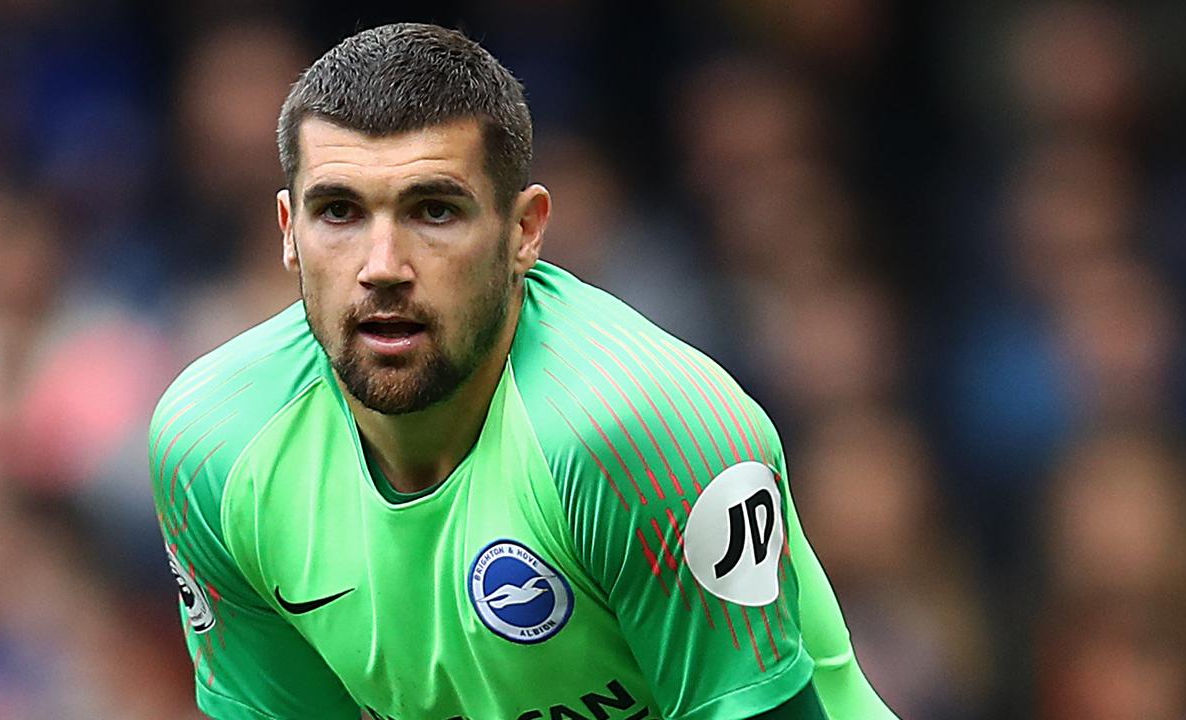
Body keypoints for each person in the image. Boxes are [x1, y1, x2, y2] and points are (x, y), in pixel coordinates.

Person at [150, 23, 895, 720]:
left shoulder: (646, 437)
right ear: (289, 233)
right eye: (339, 212)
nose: (381, 268)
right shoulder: (215, 447)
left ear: (524, 231)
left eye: (434, 211)